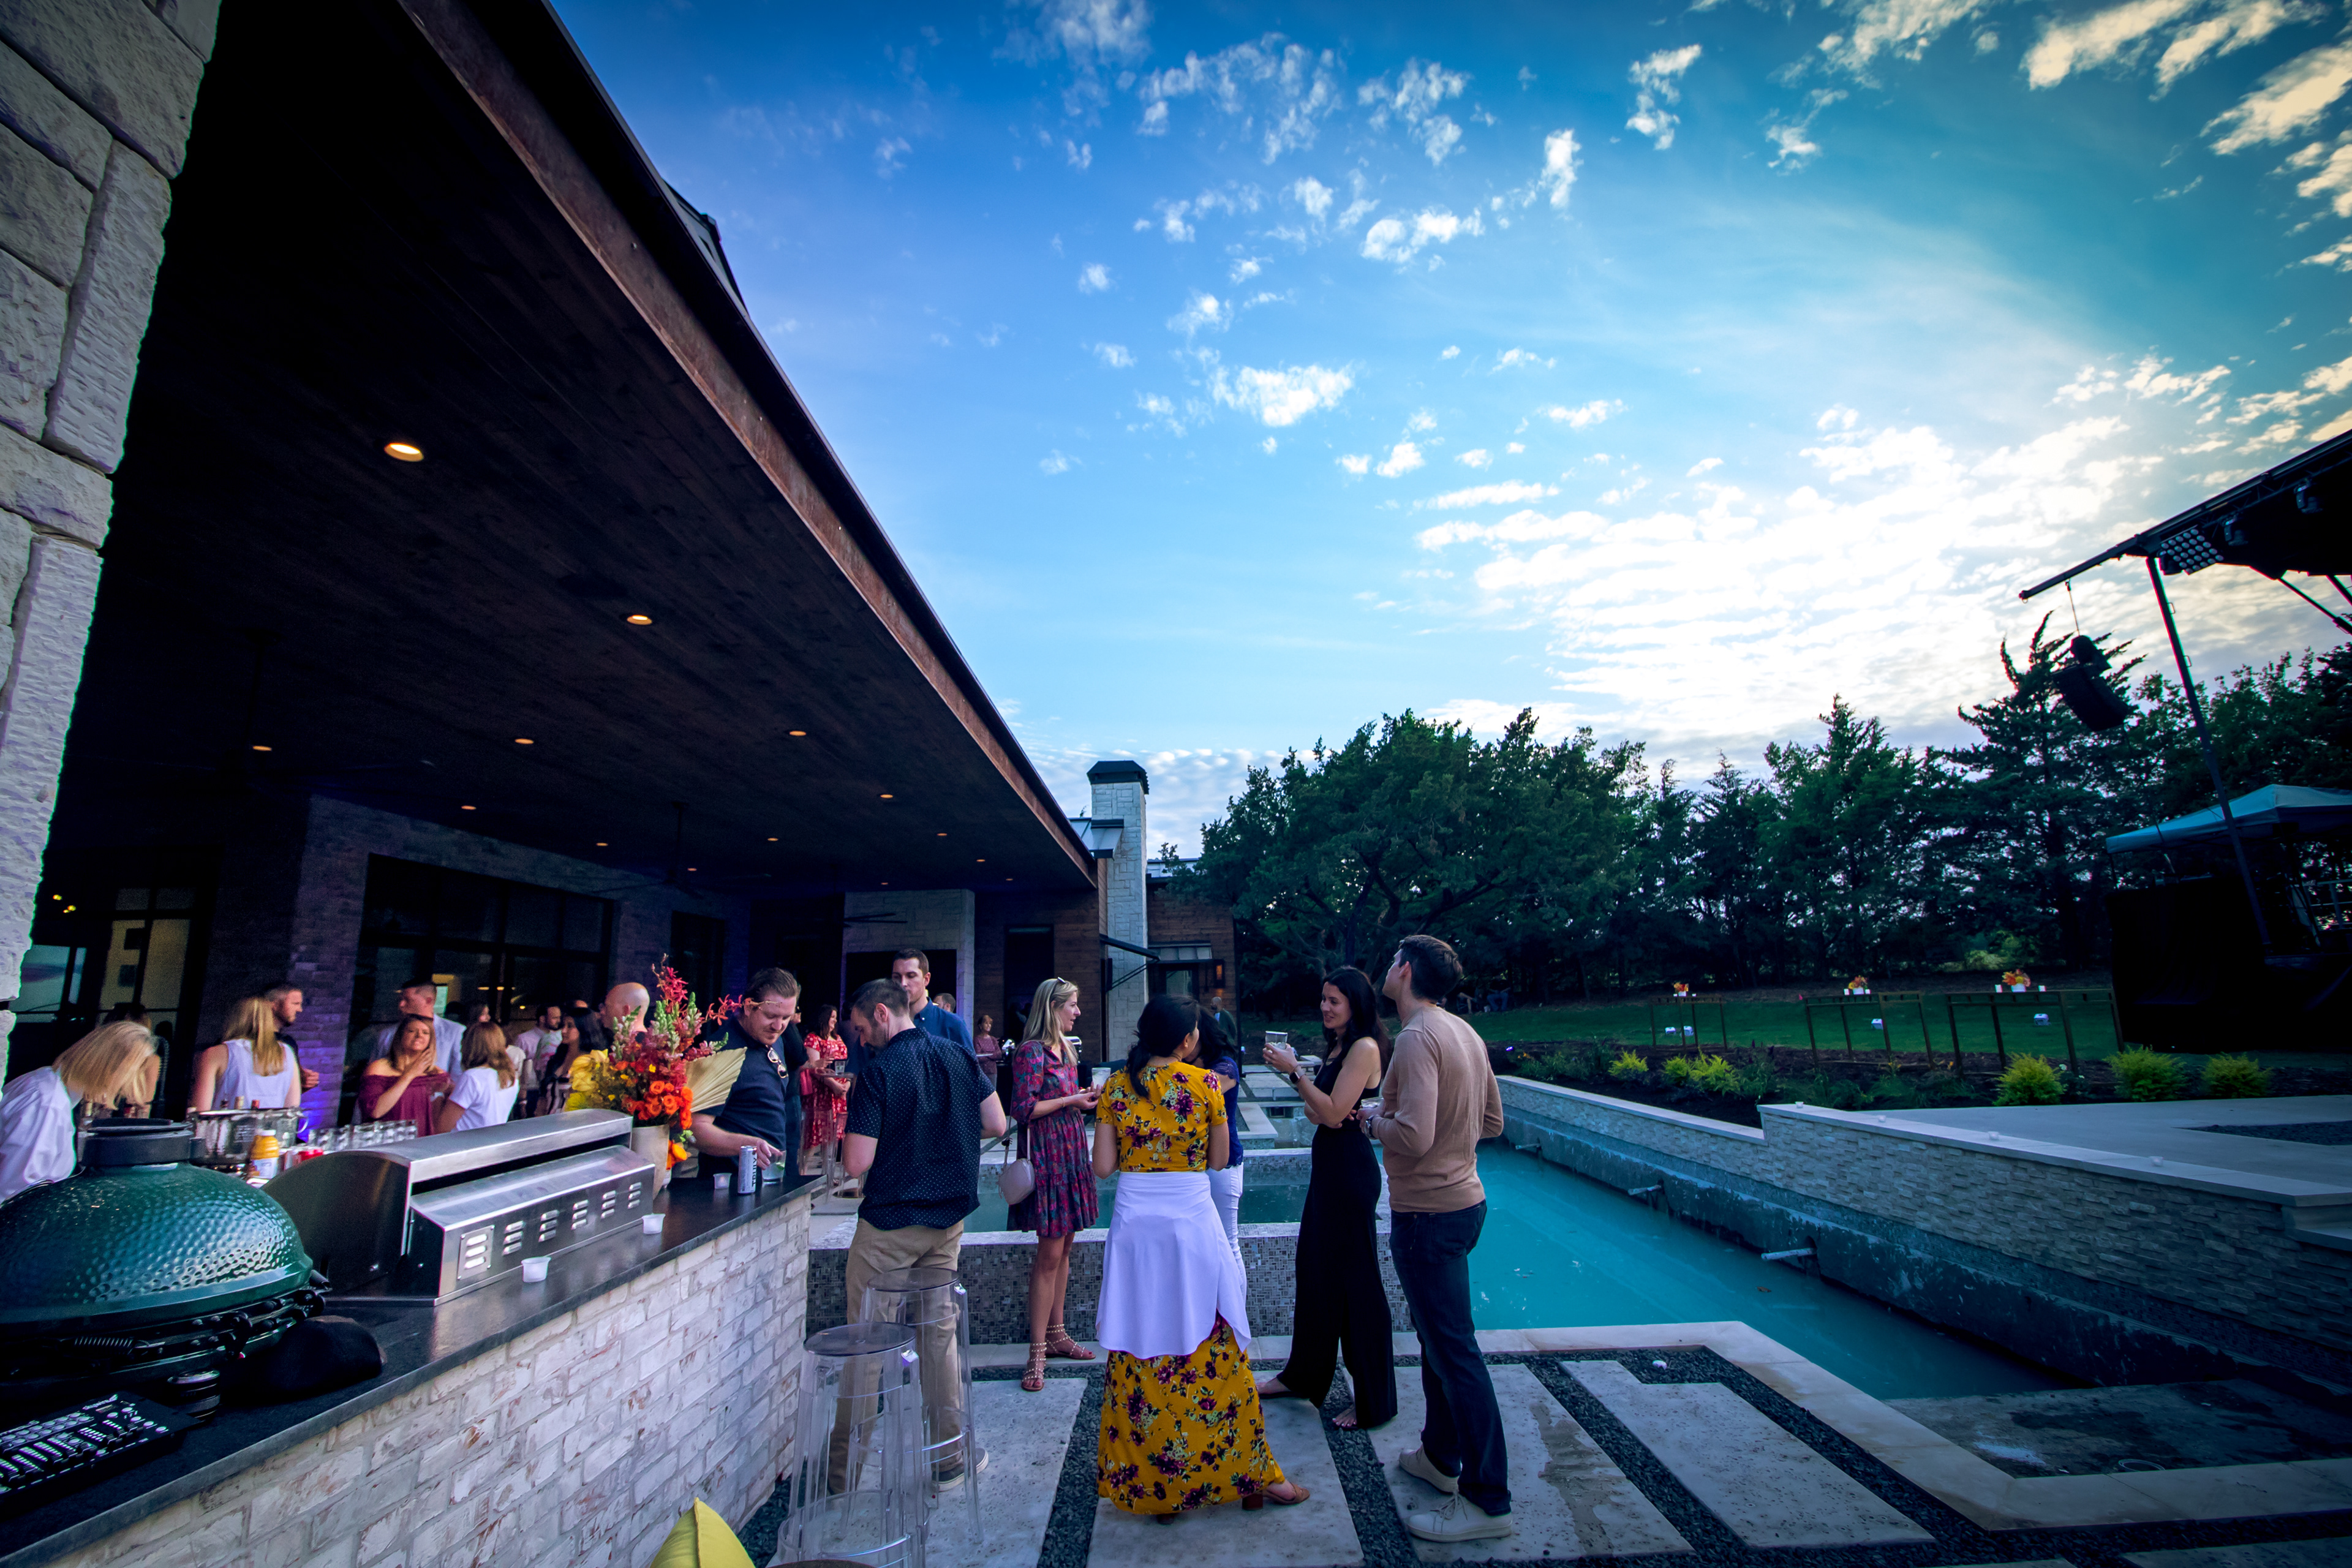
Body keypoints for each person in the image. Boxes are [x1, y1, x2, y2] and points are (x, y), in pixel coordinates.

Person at [1093, 996, 1306, 1517]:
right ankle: (1251, 1474)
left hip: (1137, 1233)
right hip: (1189, 1226)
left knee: (1142, 1344)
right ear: (1188, 1040)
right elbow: (1218, 1160)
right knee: (1214, 1342)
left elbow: (1102, 1167)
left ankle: (1158, 1483)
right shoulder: (1205, 1084)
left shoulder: (1117, 1087)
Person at [1363, 935, 1510, 1544]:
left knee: (1455, 1353)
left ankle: (1488, 1501)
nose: (1386, 967)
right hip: (1465, 1203)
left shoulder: (1418, 1036)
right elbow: (1493, 1122)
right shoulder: (1463, 1032)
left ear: (1405, 970)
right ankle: (1439, 1456)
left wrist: (1374, 1121)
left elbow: (1415, 1136)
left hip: (1429, 1214)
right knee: (1437, 1342)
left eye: (1392, 959)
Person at [839, 977, 1006, 1483]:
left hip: (890, 1224)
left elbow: (856, 1162)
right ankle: (949, 1458)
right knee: (939, 1338)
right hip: (948, 1220)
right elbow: (997, 1123)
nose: (861, 1039)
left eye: (862, 1028)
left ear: (882, 1014)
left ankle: (842, 1470)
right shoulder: (958, 1056)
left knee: (867, 1342)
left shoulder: (878, 1072)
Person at [1257, 967, 1396, 1431]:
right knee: (1315, 1272)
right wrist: (1309, 1086)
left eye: (1334, 1000)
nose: (1325, 1007)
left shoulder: (1364, 1048)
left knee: (1358, 1284)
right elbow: (1320, 1114)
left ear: (1356, 1004)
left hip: (1350, 1174)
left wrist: (1296, 1073)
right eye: (1323, 999)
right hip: (1330, 1169)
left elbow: (1333, 1113)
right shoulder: (1339, 1046)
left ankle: (1375, 1400)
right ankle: (1303, 1375)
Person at [1008, 978, 1101, 1392]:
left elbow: (1061, 1099)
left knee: (1065, 1249)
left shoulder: (1065, 1047)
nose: (1077, 1012)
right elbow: (1023, 1109)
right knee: (1048, 1254)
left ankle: (1058, 1334)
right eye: (1072, 1005)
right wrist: (1070, 1100)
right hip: (1048, 1158)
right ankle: (1037, 1351)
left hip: (1071, 1152)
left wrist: (1083, 1098)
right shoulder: (1032, 1051)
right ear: (1053, 1007)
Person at [0, 1021, 157, 1201]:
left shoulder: (47, 1082)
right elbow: (15, 1192)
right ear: (108, 1067)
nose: (123, 1088)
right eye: (128, 1074)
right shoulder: (48, 1104)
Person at [688, 968, 805, 1177]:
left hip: (770, 1178)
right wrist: (744, 1145)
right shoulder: (720, 1051)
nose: (778, 1026)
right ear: (749, 1007)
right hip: (730, 1185)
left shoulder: (772, 1038)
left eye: (786, 1018)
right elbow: (693, 1130)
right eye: (771, 1016)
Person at [190, 996, 303, 1112]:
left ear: (234, 1019)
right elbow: (292, 1107)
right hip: (274, 1124)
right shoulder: (287, 1052)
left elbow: (199, 1111)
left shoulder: (216, 1054)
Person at [1197, 1009, 1247, 1264]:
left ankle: (1237, 1294)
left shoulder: (1225, 1067)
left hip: (1224, 1164)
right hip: (1194, 1163)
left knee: (1228, 1244)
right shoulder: (1187, 1068)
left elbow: (1200, 1093)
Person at [360, 1015, 452, 1136]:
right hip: (388, 1140)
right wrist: (409, 1075)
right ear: (401, 1035)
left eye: (425, 1033)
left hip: (423, 1141)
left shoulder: (438, 1075)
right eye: (412, 1031)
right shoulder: (378, 1069)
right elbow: (375, 1112)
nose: (419, 1036)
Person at [436, 1023, 521, 1133]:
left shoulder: (472, 1076)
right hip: (492, 1139)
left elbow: (443, 1127)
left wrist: (438, 1096)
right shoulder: (511, 1077)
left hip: (464, 1141)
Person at [368, 981, 464, 1077]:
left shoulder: (455, 1032)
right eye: (400, 1000)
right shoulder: (387, 1034)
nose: (401, 1005)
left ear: (429, 1001)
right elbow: (374, 1076)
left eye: (407, 1000)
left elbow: (458, 1074)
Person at [799, 1003, 849, 1174]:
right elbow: (815, 1068)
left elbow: (846, 1064)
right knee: (814, 1134)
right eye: (832, 1017)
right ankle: (803, 1171)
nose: (835, 1020)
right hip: (821, 1093)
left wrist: (845, 1086)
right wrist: (834, 1085)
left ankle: (828, 1173)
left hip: (838, 1094)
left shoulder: (838, 1038)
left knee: (833, 1135)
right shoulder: (813, 1039)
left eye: (835, 1017)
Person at [260, 983, 324, 1095]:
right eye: (295, 1004)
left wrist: (303, 1084)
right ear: (274, 1005)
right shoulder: (251, 1040)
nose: (300, 1010)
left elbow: (284, 1092)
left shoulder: (288, 1042)